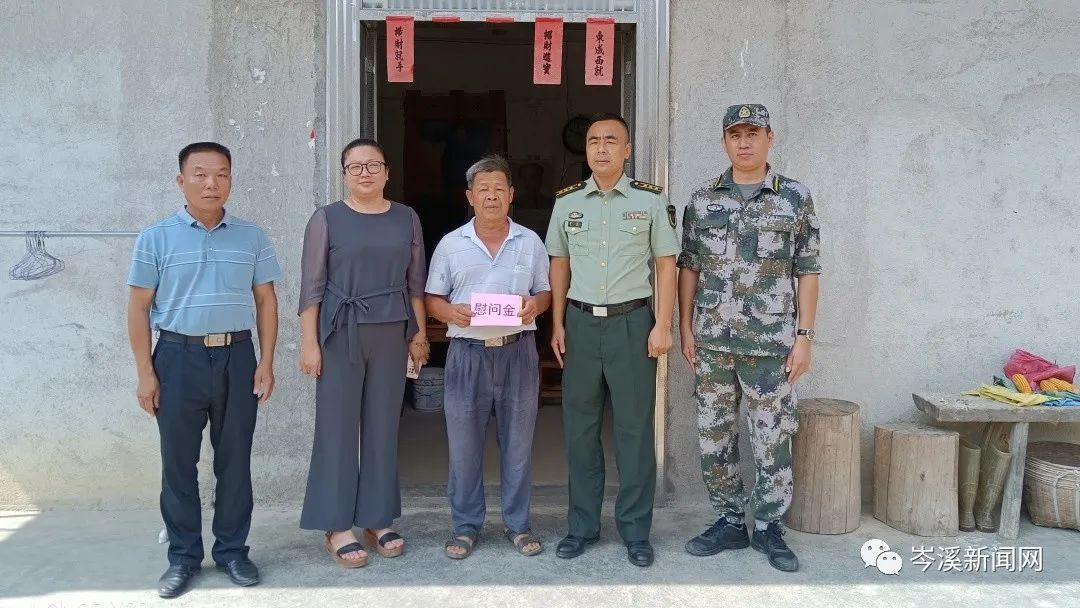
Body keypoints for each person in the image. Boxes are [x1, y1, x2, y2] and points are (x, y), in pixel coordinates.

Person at [127, 142, 281, 598]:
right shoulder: (155, 237)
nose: (211, 183)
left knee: (235, 461)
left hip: (238, 356)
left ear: (231, 179)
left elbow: (266, 301)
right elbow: (138, 309)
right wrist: (145, 372)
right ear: (181, 181)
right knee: (178, 464)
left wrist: (266, 362)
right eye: (200, 174)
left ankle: (232, 551)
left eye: (221, 174)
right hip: (177, 358)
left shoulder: (252, 236)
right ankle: (183, 557)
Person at [677, 104, 822, 573]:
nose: (744, 142)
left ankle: (770, 526)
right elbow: (689, 267)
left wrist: (804, 336)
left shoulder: (794, 197)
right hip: (713, 343)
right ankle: (729, 521)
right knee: (714, 436)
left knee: (772, 437)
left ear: (769, 138)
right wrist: (685, 327)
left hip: (771, 345)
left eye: (753, 133)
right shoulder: (703, 199)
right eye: (735, 134)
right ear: (724, 142)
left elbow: (808, 270)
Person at [545, 113, 680, 568]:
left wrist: (663, 324)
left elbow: (666, 263)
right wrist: (558, 324)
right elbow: (559, 264)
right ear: (585, 150)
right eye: (593, 141)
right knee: (580, 430)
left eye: (610, 141)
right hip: (581, 325)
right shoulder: (567, 202)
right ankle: (582, 526)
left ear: (627, 150)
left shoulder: (650, 200)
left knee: (634, 431)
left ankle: (636, 531)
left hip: (633, 325)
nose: (601, 148)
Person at [297, 138, 429, 568]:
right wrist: (309, 342)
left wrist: (419, 335)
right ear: (344, 174)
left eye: (374, 165)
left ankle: (377, 517)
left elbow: (415, 283)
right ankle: (336, 525)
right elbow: (311, 287)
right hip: (340, 333)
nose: (365, 172)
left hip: (392, 332)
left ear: (387, 172)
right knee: (336, 428)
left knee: (383, 426)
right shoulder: (326, 219)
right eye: (356, 166)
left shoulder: (406, 218)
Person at [425, 154, 552, 559]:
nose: (492, 196)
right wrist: (450, 312)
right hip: (467, 355)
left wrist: (536, 305)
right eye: (484, 189)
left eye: (499, 188)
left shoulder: (530, 242)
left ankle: (518, 524)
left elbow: (545, 291)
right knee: (464, 447)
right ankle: (465, 526)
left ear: (511, 194)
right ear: (470, 196)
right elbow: (431, 299)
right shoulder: (451, 244)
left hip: (518, 353)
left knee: (518, 447)